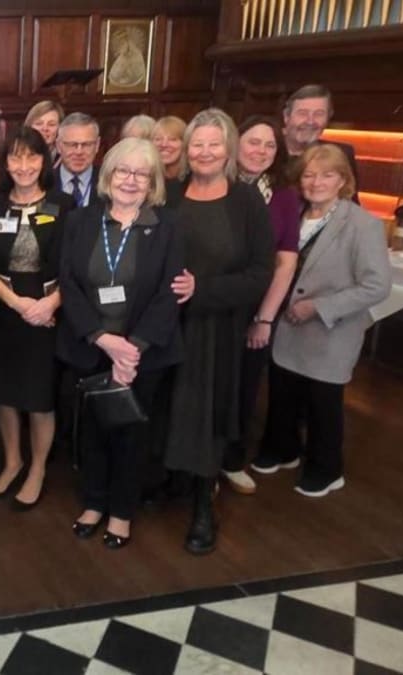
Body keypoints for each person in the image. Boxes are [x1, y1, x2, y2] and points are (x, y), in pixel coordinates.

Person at [59, 138, 184, 550]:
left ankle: (122, 511)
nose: (130, 180)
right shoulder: (81, 221)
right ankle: (94, 502)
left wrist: (134, 348)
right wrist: (102, 338)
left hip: (142, 354)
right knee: (92, 430)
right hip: (92, 345)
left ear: (152, 183)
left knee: (132, 434)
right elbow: (70, 285)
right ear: (108, 176)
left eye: (141, 173)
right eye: (122, 171)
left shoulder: (167, 227)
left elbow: (170, 293)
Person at [164, 109, 274, 555]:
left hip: (217, 328)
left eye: (213, 144)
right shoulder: (169, 195)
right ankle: (168, 481)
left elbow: (261, 272)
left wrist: (202, 290)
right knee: (166, 406)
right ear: (186, 150)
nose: (204, 152)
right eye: (197, 144)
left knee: (206, 413)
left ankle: (203, 506)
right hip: (166, 324)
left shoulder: (246, 202)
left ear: (227, 149)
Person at [256, 144, 390, 496]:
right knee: (283, 393)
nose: (317, 182)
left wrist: (319, 307)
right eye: (309, 175)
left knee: (322, 403)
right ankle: (283, 449)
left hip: (329, 331)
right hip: (286, 324)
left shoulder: (363, 224)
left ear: (343, 180)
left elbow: (377, 285)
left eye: (327, 175)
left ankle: (326, 468)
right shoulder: (294, 213)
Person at [0, 126, 74, 508]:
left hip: (48, 315)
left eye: (31, 156)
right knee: (3, 393)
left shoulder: (62, 206)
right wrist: (18, 304)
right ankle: (13, 460)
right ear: (5, 162)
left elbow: (73, 267)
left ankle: (37, 468)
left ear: (44, 160)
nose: (23, 165)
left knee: (39, 397)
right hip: (3, 314)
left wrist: (48, 305)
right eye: (15, 157)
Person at [220, 116, 302, 495]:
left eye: (270, 145)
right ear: (235, 143)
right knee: (205, 384)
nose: (261, 151)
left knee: (244, 387)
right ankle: (198, 462)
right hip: (212, 299)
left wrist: (265, 319)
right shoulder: (216, 184)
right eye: (254, 142)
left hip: (256, 305)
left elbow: (285, 262)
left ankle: (232, 460)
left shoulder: (285, 197)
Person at [282, 84, 359, 193]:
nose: (310, 121)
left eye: (319, 114)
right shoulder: (264, 152)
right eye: (302, 113)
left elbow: (349, 201)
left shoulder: (341, 154)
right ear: (286, 116)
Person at [57, 112, 102, 209]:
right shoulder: (43, 183)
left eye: (86, 144)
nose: (79, 152)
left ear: (97, 145)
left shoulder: (108, 182)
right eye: (72, 144)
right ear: (58, 145)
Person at [153, 116, 187, 184]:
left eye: (172, 139)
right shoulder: (147, 179)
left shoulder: (195, 179)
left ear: (185, 143)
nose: (164, 144)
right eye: (158, 139)